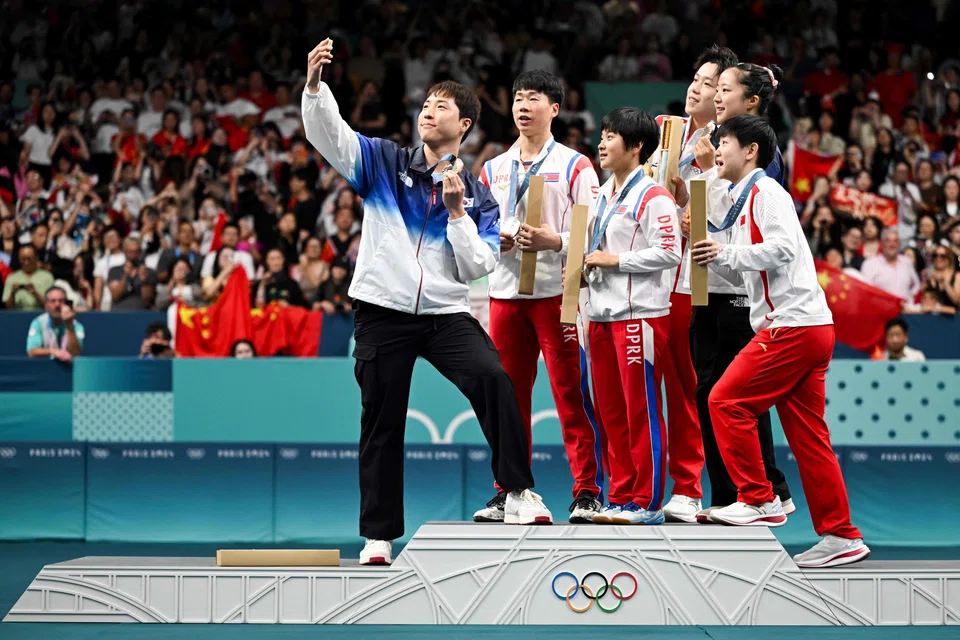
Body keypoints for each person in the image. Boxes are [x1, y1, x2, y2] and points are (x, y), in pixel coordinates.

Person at [302, 38, 549, 566]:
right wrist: (315, 88)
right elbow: (332, 137)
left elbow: (478, 266)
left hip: (443, 315)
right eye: (426, 104)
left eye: (442, 106)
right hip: (382, 311)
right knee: (381, 422)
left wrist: (458, 214)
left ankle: (517, 491)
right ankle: (379, 537)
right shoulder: (383, 161)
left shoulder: (478, 194)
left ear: (464, 126)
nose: (428, 112)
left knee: (493, 378)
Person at [691, 115, 869, 568]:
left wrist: (726, 251)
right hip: (805, 325)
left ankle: (759, 497)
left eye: (724, 142)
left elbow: (784, 247)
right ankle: (841, 535)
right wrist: (708, 253)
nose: (718, 151)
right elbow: (739, 269)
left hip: (791, 326)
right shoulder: (737, 200)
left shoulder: (766, 192)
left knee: (724, 401)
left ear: (750, 150)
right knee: (810, 439)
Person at [472, 70, 603, 525]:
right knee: (508, 397)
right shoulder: (493, 168)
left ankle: (587, 490)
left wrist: (556, 241)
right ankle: (510, 488)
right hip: (506, 293)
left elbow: (593, 228)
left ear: (555, 108)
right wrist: (498, 240)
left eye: (533, 99)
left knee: (570, 393)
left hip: (558, 293)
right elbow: (479, 226)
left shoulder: (575, 165)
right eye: (518, 99)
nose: (523, 107)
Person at [682, 57, 794, 523]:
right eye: (713, 86)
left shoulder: (759, 155)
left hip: (741, 294)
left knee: (731, 396)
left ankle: (760, 491)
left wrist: (709, 179)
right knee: (714, 392)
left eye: (723, 87)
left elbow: (749, 221)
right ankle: (735, 493)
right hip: (707, 287)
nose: (715, 94)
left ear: (751, 100)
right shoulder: (712, 144)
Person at [579, 107, 681, 525]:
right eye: (601, 135)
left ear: (636, 146)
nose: (602, 143)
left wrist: (614, 260)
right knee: (609, 411)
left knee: (640, 409)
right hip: (601, 316)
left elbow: (671, 252)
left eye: (611, 136)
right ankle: (620, 495)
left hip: (640, 316)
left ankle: (648, 501)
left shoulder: (654, 196)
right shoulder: (603, 193)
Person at [650, 44, 738, 523]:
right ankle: (643, 488)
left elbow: (726, 215)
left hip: (696, 282)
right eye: (697, 79)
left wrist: (695, 199)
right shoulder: (674, 135)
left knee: (688, 390)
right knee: (649, 389)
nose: (696, 88)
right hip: (652, 280)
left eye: (709, 84)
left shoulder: (730, 144)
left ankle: (689, 488)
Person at [26, 286, 84, 361]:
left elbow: (76, 354)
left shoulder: (76, 325)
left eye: (61, 301)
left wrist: (70, 326)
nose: (57, 305)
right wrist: (54, 351)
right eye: (53, 301)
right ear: (46, 305)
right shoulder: (38, 323)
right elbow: (31, 352)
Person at [3, 245, 54, 310]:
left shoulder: (47, 277)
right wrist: (12, 294)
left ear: (36, 258)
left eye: (29, 259)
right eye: (23, 259)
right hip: (17, 317)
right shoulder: (11, 278)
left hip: (40, 316)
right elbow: (8, 308)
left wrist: (35, 293)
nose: (26, 262)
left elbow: (52, 305)